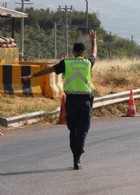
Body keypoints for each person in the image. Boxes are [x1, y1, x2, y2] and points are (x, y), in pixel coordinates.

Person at [22, 29, 97, 170]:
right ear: (84, 53)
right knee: (83, 130)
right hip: (85, 101)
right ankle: (78, 155)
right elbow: (95, 54)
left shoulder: (66, 63)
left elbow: (49, 69)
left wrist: (32, 76)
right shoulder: (88, 63)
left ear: (73, 52)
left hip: (71, 102)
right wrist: (94, 41)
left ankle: (75, 154)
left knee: (72, 130)